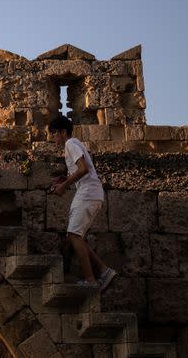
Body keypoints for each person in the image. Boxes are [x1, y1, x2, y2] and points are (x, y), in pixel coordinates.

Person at [48, 115, 116, 289]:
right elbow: (81, 169)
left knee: (74, 235)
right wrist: (65, 179)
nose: (52, 137)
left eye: (54, 133)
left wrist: (63, 185)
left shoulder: (70, 144)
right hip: (91, 193)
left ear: (63, 132)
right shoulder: (75, 144)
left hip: (88, 193)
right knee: (77, 235)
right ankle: (103, 270)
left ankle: (90, 280)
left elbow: (84, 169)